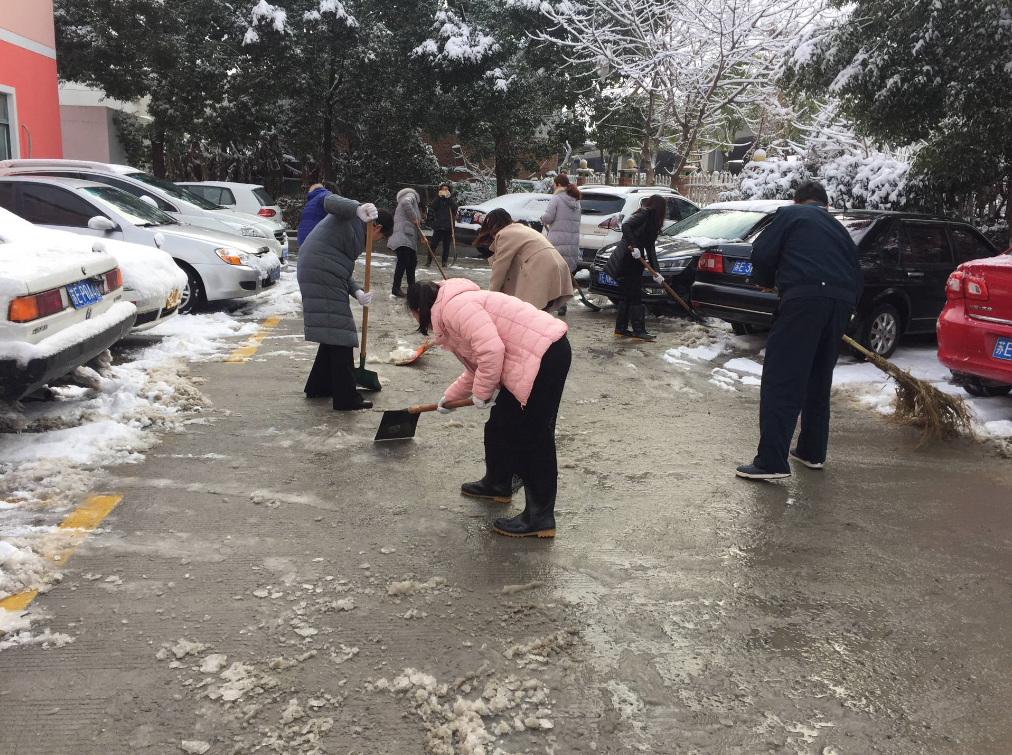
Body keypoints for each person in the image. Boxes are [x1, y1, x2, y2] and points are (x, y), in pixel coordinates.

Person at [406, 278, 572, 538]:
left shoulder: (454, 309)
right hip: (531, 355)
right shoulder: (451, 309)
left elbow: (491, 351)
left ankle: (539, 517)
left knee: (532, 436)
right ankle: (498, 482)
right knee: (500, 424)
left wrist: (481, 394)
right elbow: (477, 366)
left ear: (419, 309)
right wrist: (449, 398)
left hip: (544, 355)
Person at [735, 180, 864, 480]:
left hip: (804, 300)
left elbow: (762, 251)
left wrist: (764, 279)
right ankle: (811, 451)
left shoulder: (790, 215)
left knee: (783, 378)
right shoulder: (840, 229)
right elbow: (857, 273)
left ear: (797, 202)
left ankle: (771, 462)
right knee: (818, 377)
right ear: (826, 205)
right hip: (841, 303)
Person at [298, 194, 394, 411]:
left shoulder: (357, 234)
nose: (377, 241)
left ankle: (319, 386)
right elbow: (328, 201)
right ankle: (346, 398)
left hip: (321, 270)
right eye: (381, 237)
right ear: (378, 227)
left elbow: (340, 267)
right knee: (342, 332)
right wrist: (358, 208)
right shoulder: (352, 218)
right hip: (319, 271)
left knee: (333, 330)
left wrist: (357, 291)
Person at [474, 208, 573, 313]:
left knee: (529, 313)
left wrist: (492, 294)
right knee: (538, 314)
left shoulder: (505, 234)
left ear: (495, 225)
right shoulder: (521, 228)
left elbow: (500, 267)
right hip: (557, 266)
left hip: (542, 268)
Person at [603, 194, 667, 341]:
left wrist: (656, 272)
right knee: (636, 295)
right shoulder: (645, 214)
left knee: (629, 295)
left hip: (635, 260)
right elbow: (626, 226)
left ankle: (621, 329)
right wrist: (635, 246)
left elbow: (650, 248)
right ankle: (639, 331)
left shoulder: (653, 221)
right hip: (627, 258)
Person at [540, 174, 582, 316]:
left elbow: (548, 217)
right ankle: (562, 304)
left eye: (554, 184)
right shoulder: (576, 200)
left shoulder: (556, 198)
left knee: (553, 272)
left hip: (557, 241)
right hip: (572, 242)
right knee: (565, 274)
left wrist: (542, 218)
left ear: (557, 184)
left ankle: (549, 302)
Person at [389, 187, 422, 297]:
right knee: (403, 262)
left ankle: (412, 288)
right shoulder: (411, 195)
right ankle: (396, 288)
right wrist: (414, 217)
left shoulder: (411, 198)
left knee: (412, 262)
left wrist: (421, 236)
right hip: (403, 236)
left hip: (408, 235)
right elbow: (405, 203)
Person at [296, 180, 340, 247]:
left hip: (302, 239)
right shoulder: (325, 195)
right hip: (313, 239)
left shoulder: (313, 199)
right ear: (330, 191)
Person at [426, 182, 458, 267]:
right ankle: (429, 261)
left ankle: (444, 262)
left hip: (448, 226)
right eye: (443, 189)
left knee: (446, 246)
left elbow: (455, 207)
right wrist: (438, 197)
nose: (444, 191)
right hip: (439, 226)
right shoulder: (438, 200)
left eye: (446, 190)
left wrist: (449, 198)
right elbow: (433, 206)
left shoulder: (451, 200)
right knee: (433, 245)